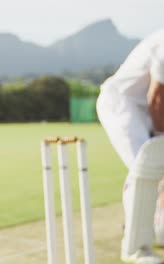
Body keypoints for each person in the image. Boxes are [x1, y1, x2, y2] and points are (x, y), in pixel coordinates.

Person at [96, 29, 164, 263]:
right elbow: (157, 99)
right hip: (123, 104)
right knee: (146, 165)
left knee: (157, 163)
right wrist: (160, 145)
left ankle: (155, 222)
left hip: (151, 106)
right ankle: (135, 247)